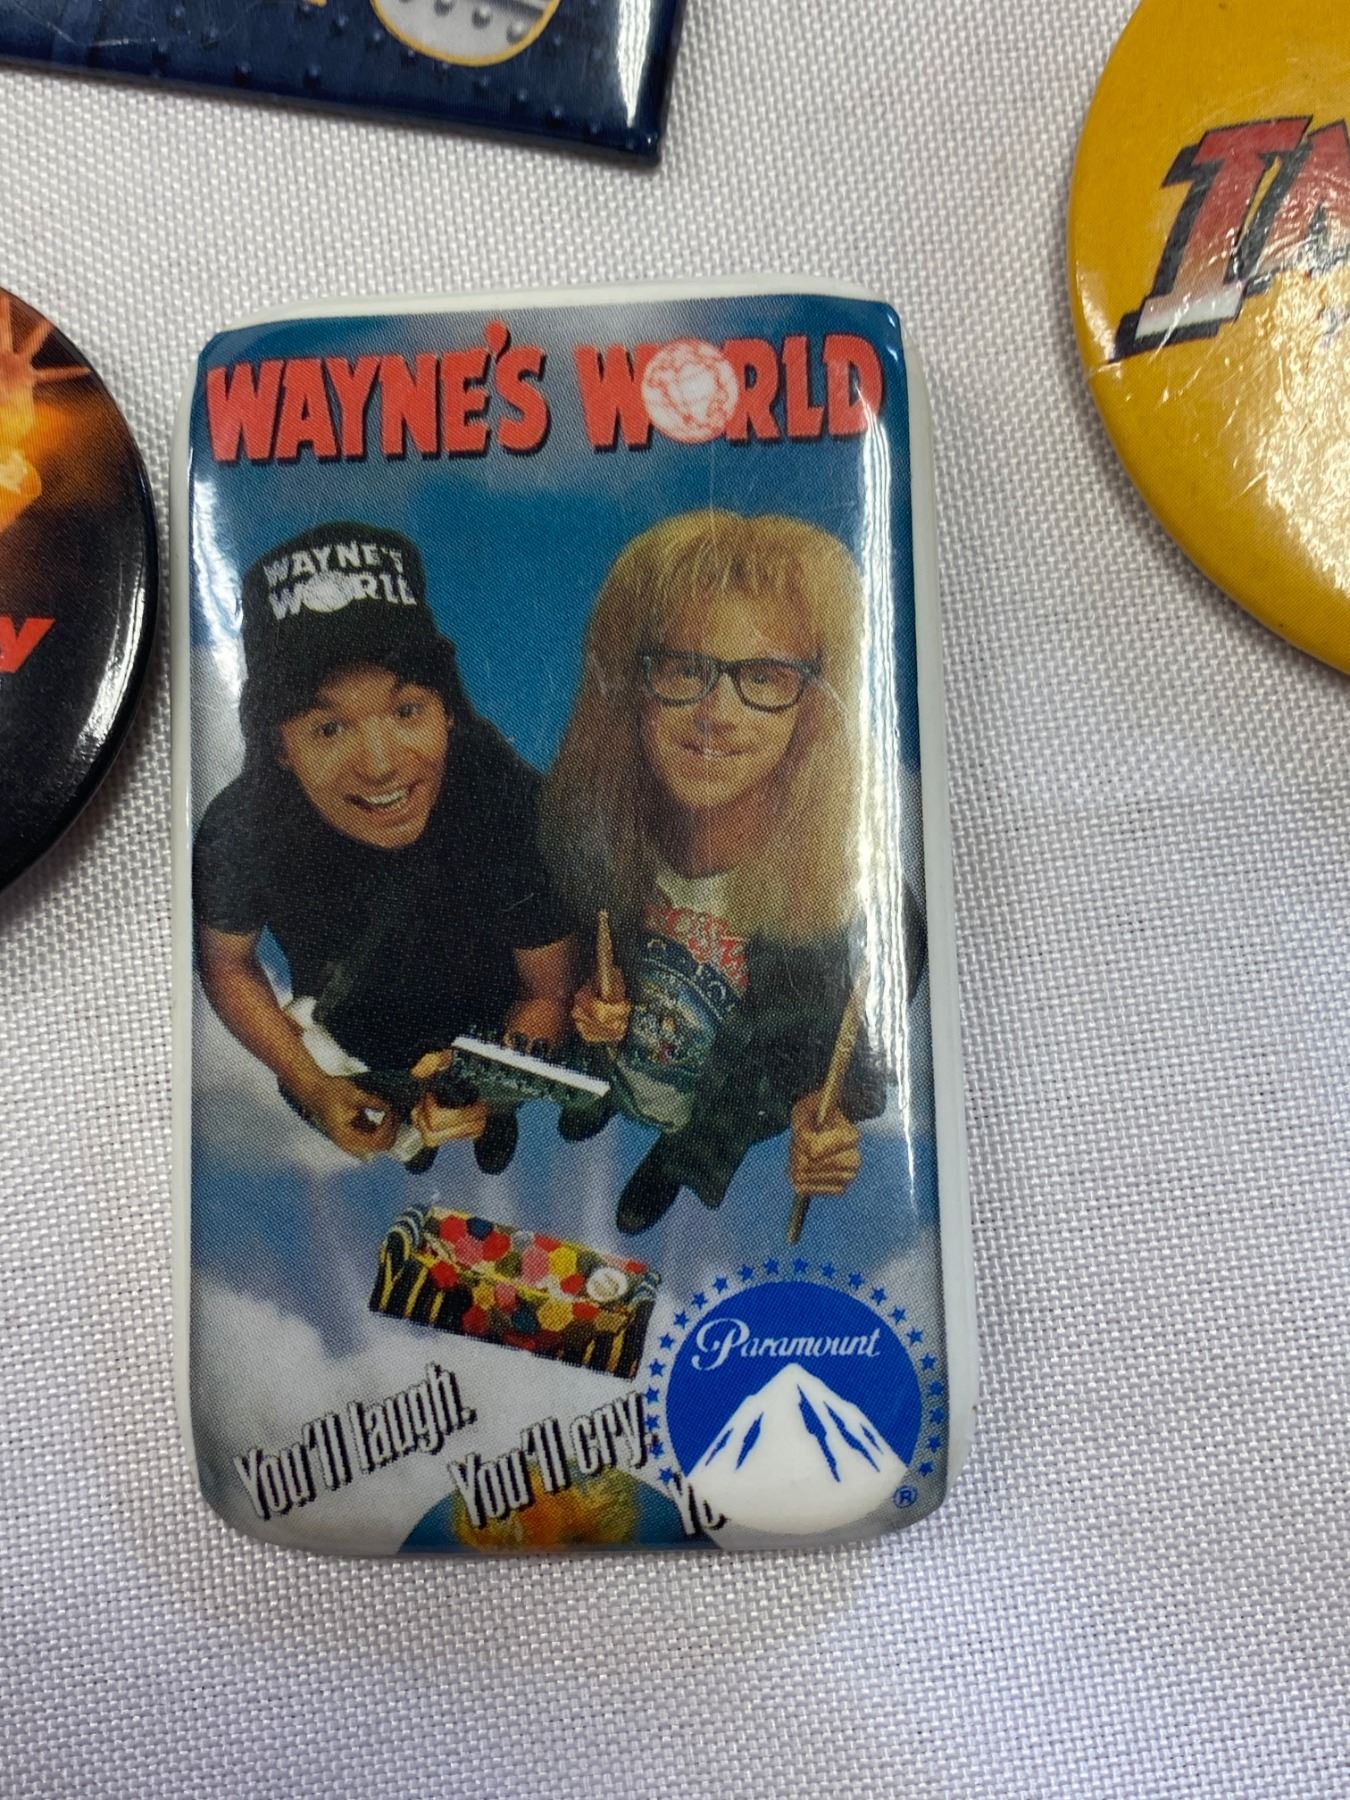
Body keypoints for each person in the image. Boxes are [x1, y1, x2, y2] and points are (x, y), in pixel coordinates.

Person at [539, 510, 924, 1233]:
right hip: (614, 1064)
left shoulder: (868, 910)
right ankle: (598, 1104)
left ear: (817, 706)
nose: (716, 713)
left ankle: (677, 1162)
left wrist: (825, 1116)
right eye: (685, 668)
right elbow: (551, 956)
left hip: (716, 1114)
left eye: (766, 676)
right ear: (628, 682)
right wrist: (583, 1004)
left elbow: (847, 1058)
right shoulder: (588, 829)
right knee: (585, 1095)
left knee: (692, 1148)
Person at [194, 522, 575, 1173]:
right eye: (329, 728)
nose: (380, 766)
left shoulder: (509, 800)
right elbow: (227, 965)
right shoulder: (241, 827)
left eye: (406, 712)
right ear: (279, 744)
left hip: (498, 1034)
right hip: (358, 1044)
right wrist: (313, 1087)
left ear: (446, 709)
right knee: (393, 1139)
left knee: (492, 1127)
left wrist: (483, 1089)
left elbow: (549, 991)